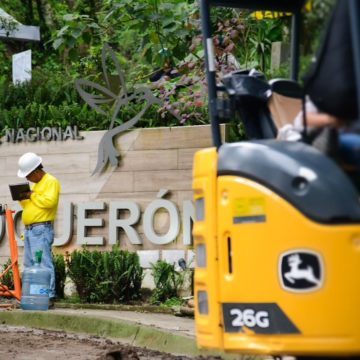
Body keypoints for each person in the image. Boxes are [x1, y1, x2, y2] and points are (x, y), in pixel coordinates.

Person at [17, 152, 61, 305]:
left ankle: (48, 296)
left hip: (41, 229)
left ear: (36, 171)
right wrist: (24, 198)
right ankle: (34, 296)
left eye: (28, 175)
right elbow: (33, 206)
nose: (27, 179)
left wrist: (32, 195)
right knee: (30, 264)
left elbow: (49, 202)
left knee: (42, 263)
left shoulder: (51, 181)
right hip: (31, 230)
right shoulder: (36, 185)